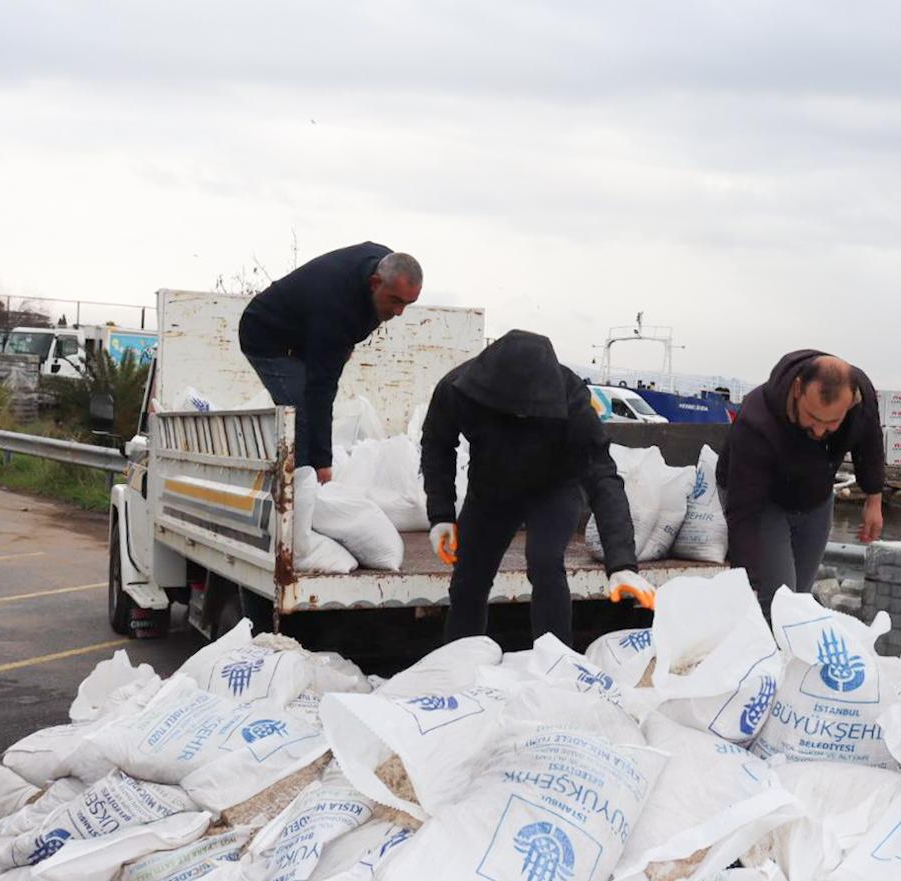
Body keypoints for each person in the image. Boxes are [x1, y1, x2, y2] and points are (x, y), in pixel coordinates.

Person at [421, 329, 654, 645]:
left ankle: (555, 664)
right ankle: (460, 659)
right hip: (491, 490)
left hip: (554, 488)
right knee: (468, 578)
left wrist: (622, 564)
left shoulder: (570, 396)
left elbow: (602, 476)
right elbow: (437, 445)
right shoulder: (459, 389)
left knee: (545, 563)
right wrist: (441, 514)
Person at [716, 350, 884, 619]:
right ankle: (763, 654)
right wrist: (748, 579)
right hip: (763, 500)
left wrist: (873, 498)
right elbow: (744, 512)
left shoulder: (861, 396)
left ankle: (791, 652)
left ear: (851, 401)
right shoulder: (757, 420)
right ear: (797, 390)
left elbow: (870, 442)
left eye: (831, 423)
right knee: (776, 598)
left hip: (815, 494)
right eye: (812, 418)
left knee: (798, 601)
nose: (819, 431)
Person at [238, 242, 422, 482]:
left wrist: (342, 347)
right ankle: (303, 494)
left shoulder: (384, 266)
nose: (399, 312)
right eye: (396, 301)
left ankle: (302, 480)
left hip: (304, 332)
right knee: (301, 411)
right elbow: (321, 388)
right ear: (374, 283)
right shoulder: (337, 308)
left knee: (313, 404)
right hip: (264, 334)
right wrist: (322, 463)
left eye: (408, 304)